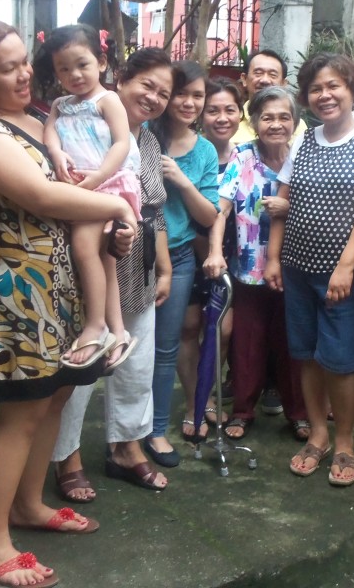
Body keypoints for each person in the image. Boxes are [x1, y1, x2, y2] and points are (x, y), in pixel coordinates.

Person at [0, 18, 137, 587]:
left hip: (63, 285)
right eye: (9, 67)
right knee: (20, 415)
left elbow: (82, 193)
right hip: (17, 293)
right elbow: (41, 195)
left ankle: (28, 505)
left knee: (54, 400)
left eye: (26, 61)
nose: (27, 74)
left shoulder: (39, 120)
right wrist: (117, 210)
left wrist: (111, 228)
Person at [50, 47, 174, 501]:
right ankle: (67, 458)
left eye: (164, 93)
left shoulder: (148, 141)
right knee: (81, 372)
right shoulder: (78, 125)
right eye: (148, 85)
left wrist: (164, 268)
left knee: (136, 370)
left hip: (136, 271)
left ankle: (126, 447)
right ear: (120, 78)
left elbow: (155, 212)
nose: (154, 97)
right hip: (89, 270)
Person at [264, 53, 354, 485]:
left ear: (352, 90)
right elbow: (282, 202)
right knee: (306, 354)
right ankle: (317, 434)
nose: (325, 95)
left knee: (339, 360)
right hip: (298, 269)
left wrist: (346, 267)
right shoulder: (304, 139)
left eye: (334, 85)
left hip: (342, 275)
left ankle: (345, 442)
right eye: (316, 88)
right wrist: (274, 258)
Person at [204, 86, 308, 441]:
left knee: (292, 344)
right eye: (267, 117)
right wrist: (215, 251)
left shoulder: (305, 155)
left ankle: (298, 412)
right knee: (247, 344)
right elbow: (221, 208)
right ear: (255, 122)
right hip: (248, 269)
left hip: (295, 269)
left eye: (283, 117)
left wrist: (291, 207)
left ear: (295, 122)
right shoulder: (242, 157)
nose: (276, 124)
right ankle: (243, 411)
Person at [38, 24, 141, 369]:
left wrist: (98, 177)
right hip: (79, 187)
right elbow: (49, 130)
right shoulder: (60, 105)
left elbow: (122, 143)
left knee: (84, 248)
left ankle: (95, 325)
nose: (74, 75)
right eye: (63, 69)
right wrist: (56, 153)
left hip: (106, 184)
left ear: (101, 61)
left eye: (81, 64)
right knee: (106, 261)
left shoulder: (108, 100)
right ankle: (118, 330)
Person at [147, 60, 219, 466]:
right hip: (133, 254)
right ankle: (126, 435)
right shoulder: (143, 135)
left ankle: (156, 432)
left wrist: (181, 179)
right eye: (181, 93)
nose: (189, 103)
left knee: (166, 349)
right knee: (129, 348)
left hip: (178, 257)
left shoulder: (204, 150)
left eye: (198, 96)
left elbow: (209, 216)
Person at [175, 76, 243, 441]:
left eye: (229, 109)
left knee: (223, 330)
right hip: (187, 254)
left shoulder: (246, 155)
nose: (221, 117)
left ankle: (211, 397)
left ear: (240, 113)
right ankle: (192, 404)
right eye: (212, 109)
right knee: (187, 328)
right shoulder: (187, 152)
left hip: (228, 259)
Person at [232, 49, 307, 143]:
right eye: (258, 73)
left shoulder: (298, 127)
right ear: (244, 79)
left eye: (272, 75)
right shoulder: (230, 122)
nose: (265, 80)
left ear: (283, 84)